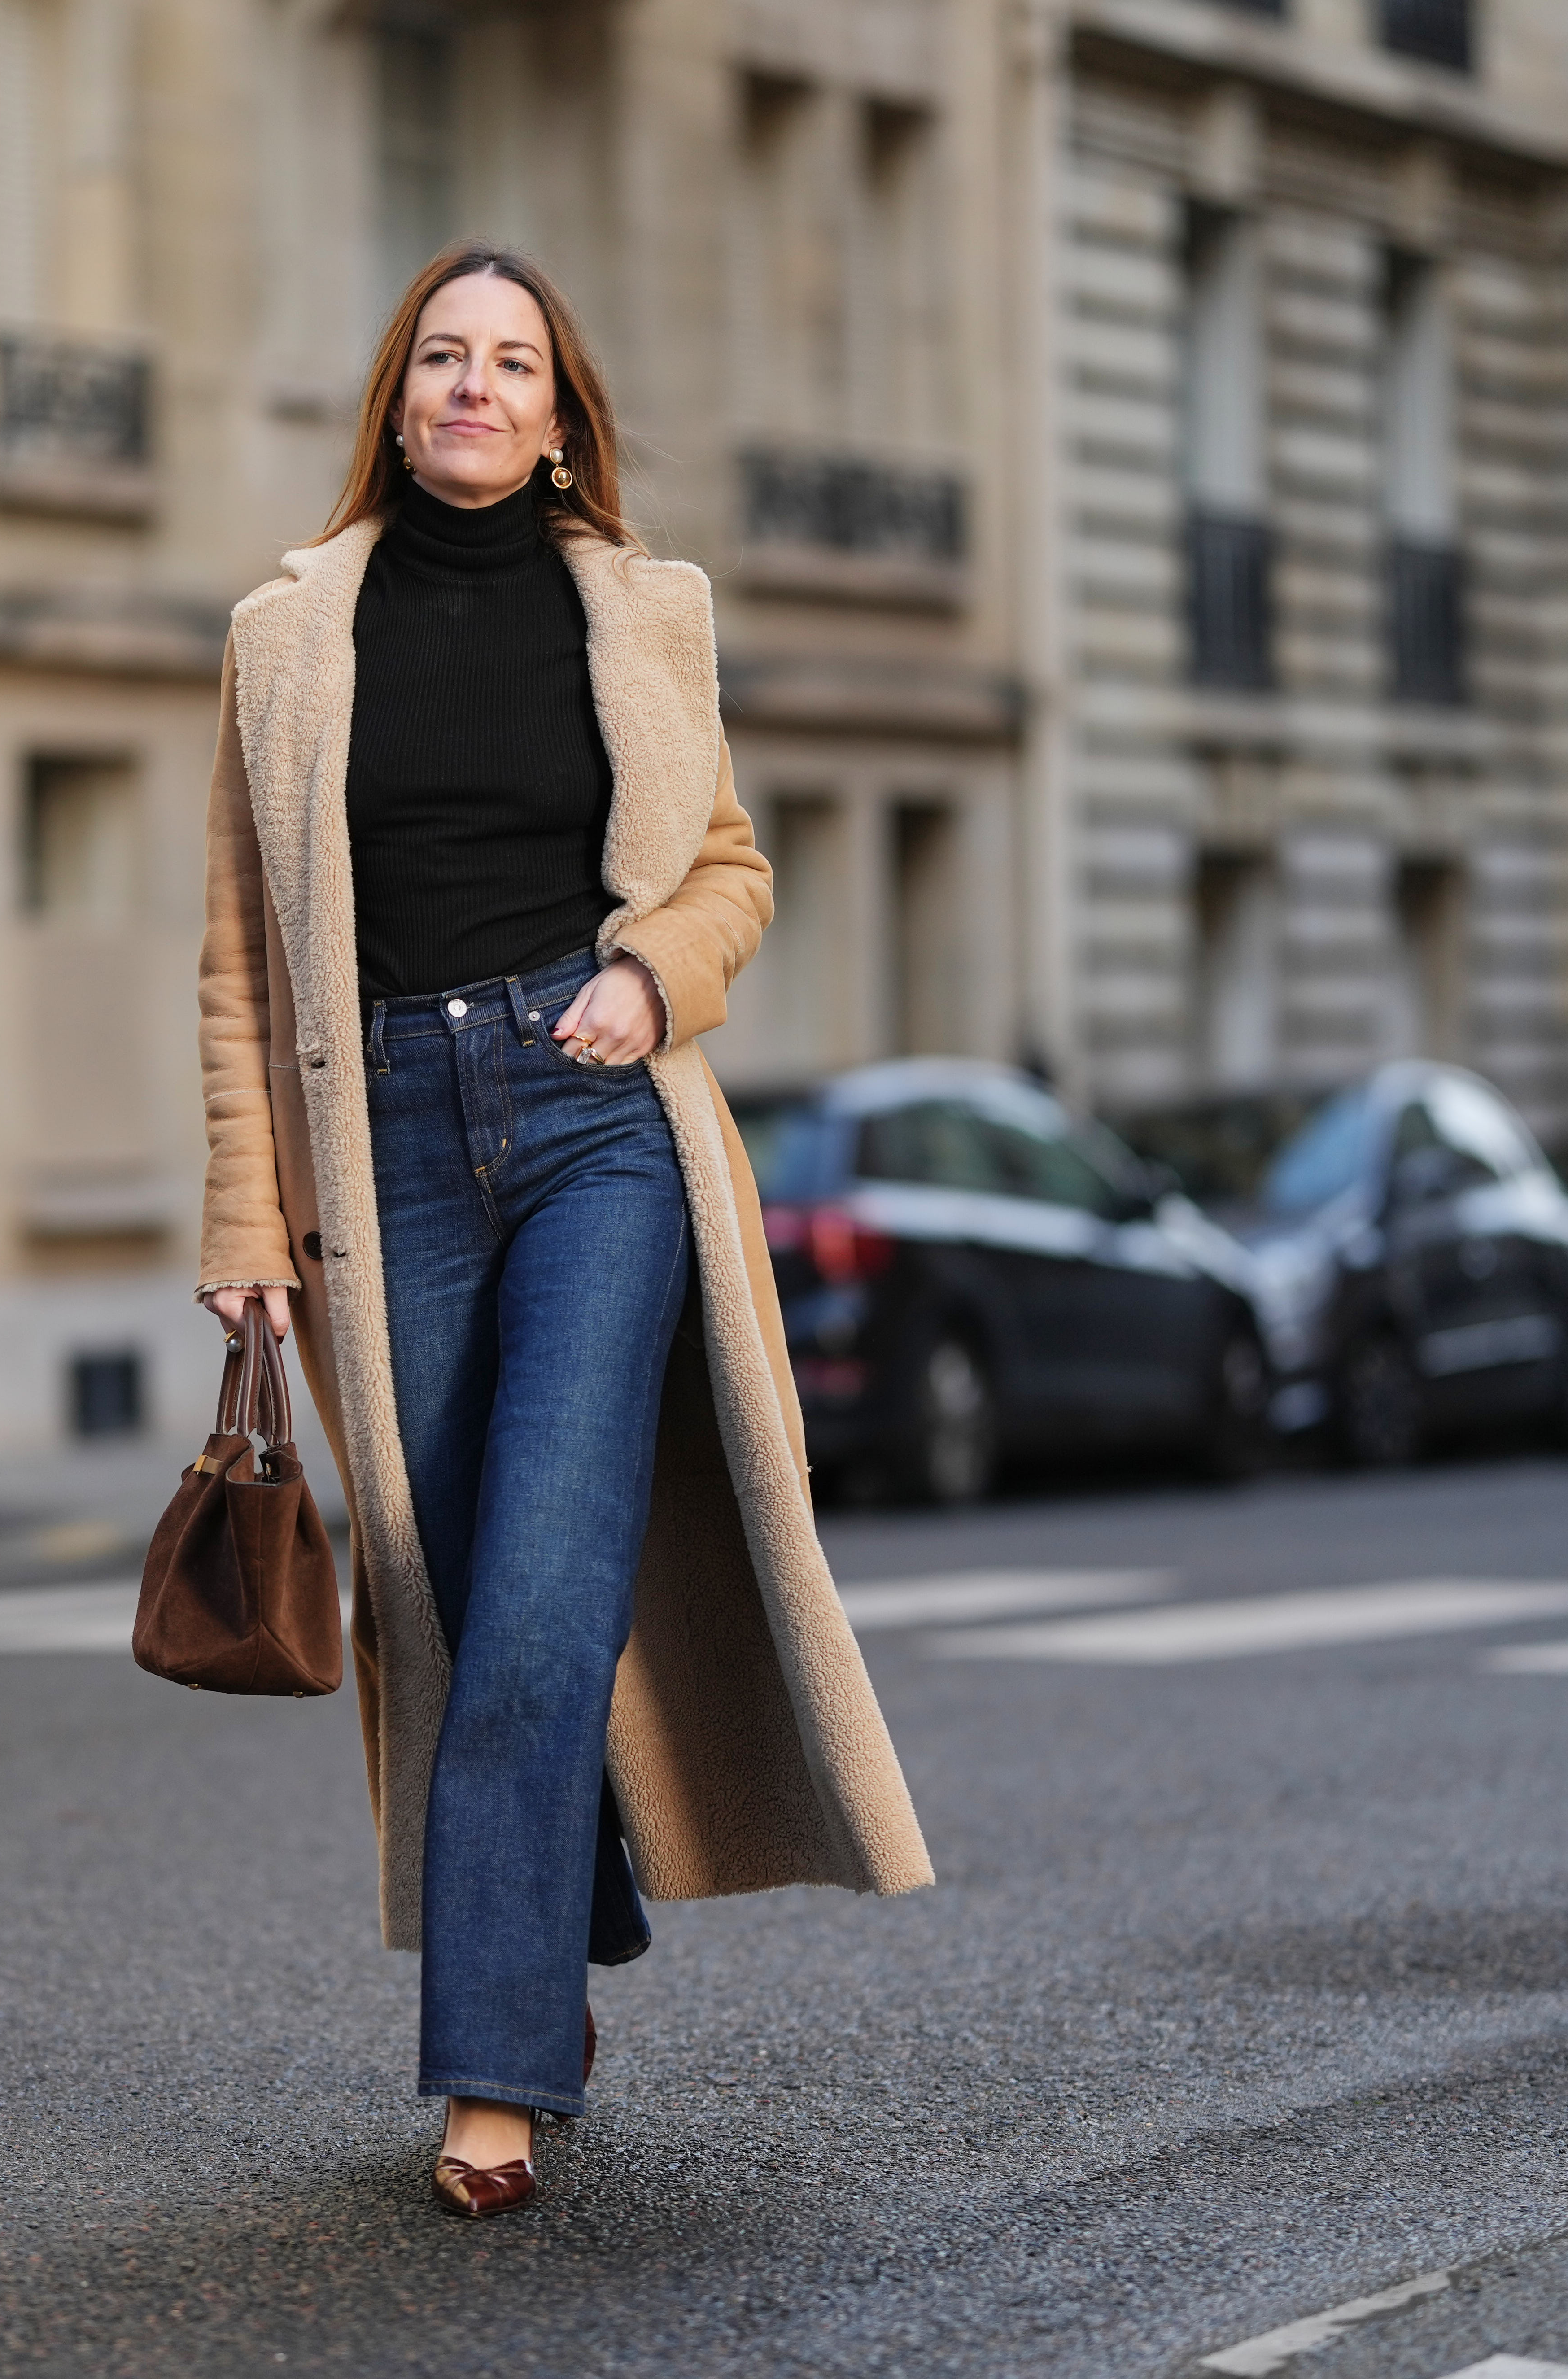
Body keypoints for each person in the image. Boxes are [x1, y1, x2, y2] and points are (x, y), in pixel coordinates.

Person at [192, 241, 934, 2218]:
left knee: (538, 1607)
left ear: (558, 413)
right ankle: (549, 1927)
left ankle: (495, 2078)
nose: (474, 387)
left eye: (513, 362)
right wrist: (244, 1211)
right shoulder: (287, 637)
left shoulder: (641, 612)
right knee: (450, 1604)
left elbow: (729, 867)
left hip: (597, 1118)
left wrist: (655, 976)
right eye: (443, 355)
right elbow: (239, 965)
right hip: (389, 1148)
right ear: (399, 394)